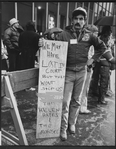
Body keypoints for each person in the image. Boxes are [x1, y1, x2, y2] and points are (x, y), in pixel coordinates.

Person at [55, 7, 116, 141]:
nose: (78, 21)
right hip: (68, 72)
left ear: (84, 21)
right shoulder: (63, 35)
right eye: (76, 18)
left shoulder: (89, 35)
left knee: (76, 100)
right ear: (72, 21)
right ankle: (63, 128)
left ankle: (72, 123)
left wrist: (92, 59)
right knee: (65, 101)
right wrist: (42, 44)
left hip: (82, 72)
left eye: (81, 19)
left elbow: (102, 47)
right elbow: (52, 47)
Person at [79, 24, 98, 114]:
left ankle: (80, 106)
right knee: (84, 88)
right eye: (96, 33)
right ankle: (82, 107)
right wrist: (90, 65)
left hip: (84, 67)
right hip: (86, 68)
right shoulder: (89, 42)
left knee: (82, 89)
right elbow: (89, 56)